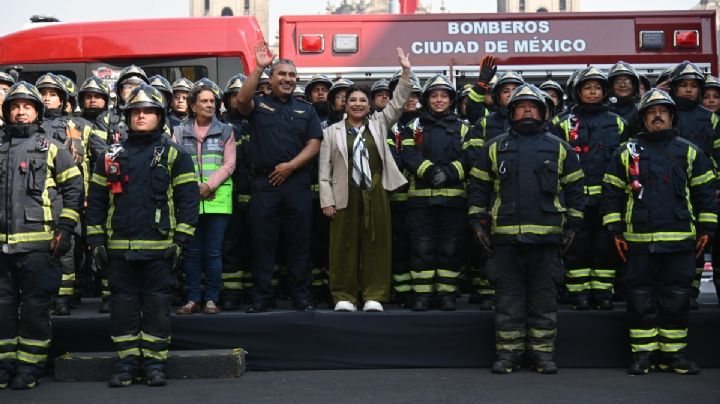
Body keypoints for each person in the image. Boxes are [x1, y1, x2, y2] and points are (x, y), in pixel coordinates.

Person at [86, 84, 199, 387]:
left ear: (160, 117)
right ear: (127, 116)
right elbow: (96, 202)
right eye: (136, 111)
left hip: (159, 250)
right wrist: (96, 241)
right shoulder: (110, 155)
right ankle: (126, 364)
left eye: (148, 111)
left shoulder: (176, 155)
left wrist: (182, 242)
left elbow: (188, 202)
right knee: (122, 311)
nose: (141, 116)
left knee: (157, 309)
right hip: (119, 251)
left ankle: (153, 364)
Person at [468, 84, 585, 374]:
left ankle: (542, 356)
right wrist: (476, 222)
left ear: (544, 113)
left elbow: (575, 189)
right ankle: (509, 355)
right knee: (508, 301)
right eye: (522, 106)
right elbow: (479, 188)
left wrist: (573, 224)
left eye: (533, 106)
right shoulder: (495, 147)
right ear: (511, 113)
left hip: (547, 240)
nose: (528, 110)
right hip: (505, 240)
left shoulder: (560, 147)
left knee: (543, 301)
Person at [601, 88, 716, 375]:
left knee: (676, 301)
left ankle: (673, 355)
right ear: (642, 119)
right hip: (637, 242)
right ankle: (644, 354)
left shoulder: (689, 151)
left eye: (662, 112)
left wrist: (707, 228)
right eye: (651, 113)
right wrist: (614, 229)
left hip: (679, 242)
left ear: (671, 117)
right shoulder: (626, 152)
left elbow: (704, 193)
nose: (657, 116)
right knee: (640, 301)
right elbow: (612, 194)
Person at [0, 82, 83, 389]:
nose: (20, 112)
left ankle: (30, 368)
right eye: (14, 106)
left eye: (27, 107)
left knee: (35, 310)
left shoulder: (52, 148)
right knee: (3, 310)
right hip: (1, 248)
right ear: (7, 112)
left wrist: (65, 228)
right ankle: (5, 364)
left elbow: (74, 189)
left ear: (37, 112)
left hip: (38, 245)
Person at [319, 48, 411, 312]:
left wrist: (405, 72)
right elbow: (324, 170)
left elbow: (399, 102)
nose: (358, 104)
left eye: (362, 100)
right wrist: (327, 200)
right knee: (342, 248)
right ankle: (344, 296)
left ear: (370, 105)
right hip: (343, 195)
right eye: (352, 100)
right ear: (344, 104)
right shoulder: (331, 132)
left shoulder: (379, 124)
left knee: (377, 245)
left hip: (375, 192)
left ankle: (374, 295)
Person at [235, 43, 323, 313]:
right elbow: (241, 101)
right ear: (271, 80)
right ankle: (262, 297)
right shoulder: (258, 105)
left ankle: (301, 296)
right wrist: (259, 65)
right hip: (265, 184)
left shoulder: (306, 110)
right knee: (263, 242)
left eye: (291, 75)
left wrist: (291, 166)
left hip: (297, 183)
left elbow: (314, 143)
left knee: (299, 243)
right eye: (281, 74)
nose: (287, 79)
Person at [552, 67, 626, 311]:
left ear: (604, 92)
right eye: (587, 88)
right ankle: (579, 293)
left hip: (608, 200)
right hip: (575, 199)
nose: (592, 92)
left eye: (597, 88)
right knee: (577, 247)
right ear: (577, 92)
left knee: (605, 247)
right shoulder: (561, 124)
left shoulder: (618, 123)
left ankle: (603, 292)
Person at [400, 74, 472, 311]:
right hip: (421, 201)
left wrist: (450, 173)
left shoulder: (464, 128)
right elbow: (408, 155)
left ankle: (446, 294)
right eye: (434, 96)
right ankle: (421, 295)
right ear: (426, 99)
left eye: (443, 96)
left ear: (451, 100)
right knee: (421, 248)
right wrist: (430, 172)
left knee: (450, 249)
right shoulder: (413, 126)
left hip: (453, 201)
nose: (439, 100)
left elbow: (471, 157)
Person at [174, 79, 235, 315]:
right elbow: (175, 164)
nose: (210, 105)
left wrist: (209, 185)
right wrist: (193, 188)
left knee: (213, 252)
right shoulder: (178, 131)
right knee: (191, 252)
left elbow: (230, 164)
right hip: (189, 200)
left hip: (217, 199)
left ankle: (211, 299)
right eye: (204, 101)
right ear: (193, 105)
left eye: (212, 101)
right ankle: (192, 299)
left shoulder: (227, 130)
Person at [667, 61, 720, 309]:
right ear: (674, 88)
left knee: (698, 240)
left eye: (693, 86)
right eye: (683, 85)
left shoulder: (711, 120)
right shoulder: (665, 114)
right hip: (668, 189)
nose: (688, 90)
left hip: (701, 189)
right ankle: (674, 288)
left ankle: (692, 290)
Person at [35, 73, 89, 315]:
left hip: (64, 197)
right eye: (43, 94)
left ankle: (63, 297)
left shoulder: (76, 126)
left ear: (63, 99)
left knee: (66, 250)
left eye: (53, 94)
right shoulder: (30, 128)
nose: (47, 99)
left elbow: (98, 156)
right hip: (35, 199)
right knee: (38, 253)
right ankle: (44, 296)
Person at [219, 74, 253, 310]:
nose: (237, 99)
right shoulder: (219, 125)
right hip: (227, 194)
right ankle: (231, 292)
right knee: (229, 245)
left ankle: (254, 291)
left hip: (257, 194)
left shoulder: (258, 121)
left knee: (256, 244)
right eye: (233, 95)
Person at [96, 65, 149, 144]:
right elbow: (98, 145)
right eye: (129, 86)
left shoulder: (153, 116)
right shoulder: (106, 118)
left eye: (138, 86)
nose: (133, 90)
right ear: (120, 91)